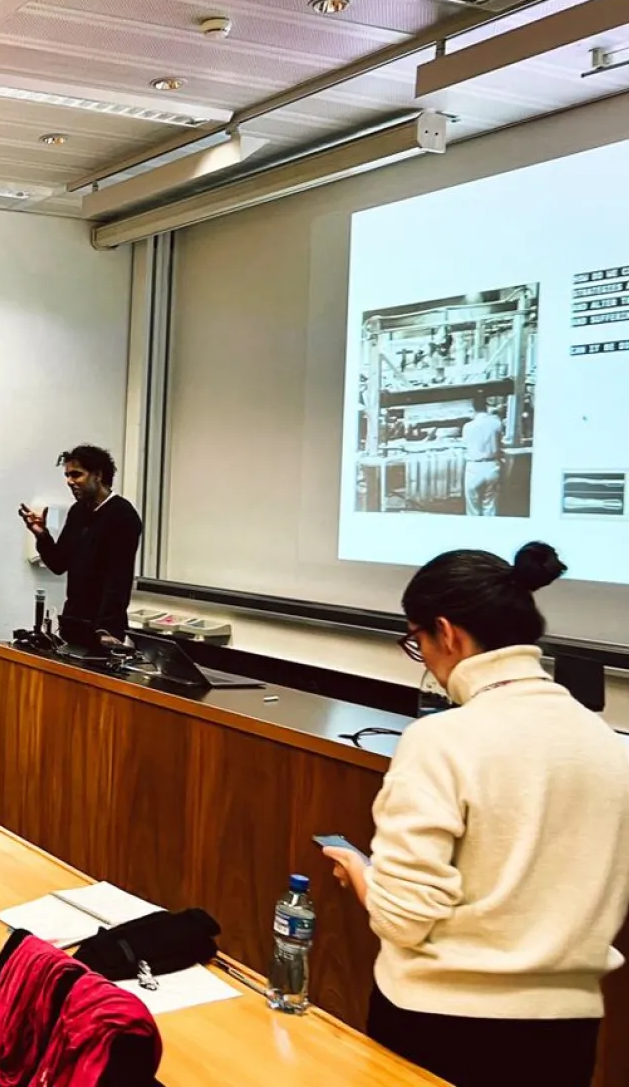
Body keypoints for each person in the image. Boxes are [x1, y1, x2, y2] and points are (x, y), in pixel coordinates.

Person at [323, 543, 629, 1087]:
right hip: (568, 1036)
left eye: (416, 641)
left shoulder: (441, 741)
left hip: (440, 1025)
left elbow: (403, 919)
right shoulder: (610, 746)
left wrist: (360, 873)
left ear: (447, 634)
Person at [18, 445, 142, 644]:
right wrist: (42, 535)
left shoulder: (122, 514)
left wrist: (106, 629)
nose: (69, 482)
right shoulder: (78, 511)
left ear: (98, 475)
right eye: (67, 476)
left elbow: (119, 577)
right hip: (74, 621)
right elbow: (59, 564)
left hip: (103, 627)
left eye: (76, 475)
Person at [461, 397, 503, 516]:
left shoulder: (468, 427)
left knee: (473, 508)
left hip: (474, 467)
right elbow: (501, 441)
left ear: (473, 409)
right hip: (492, 466)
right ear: (486, 407)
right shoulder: (496, 422)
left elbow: (466, 445)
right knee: (490, 506)